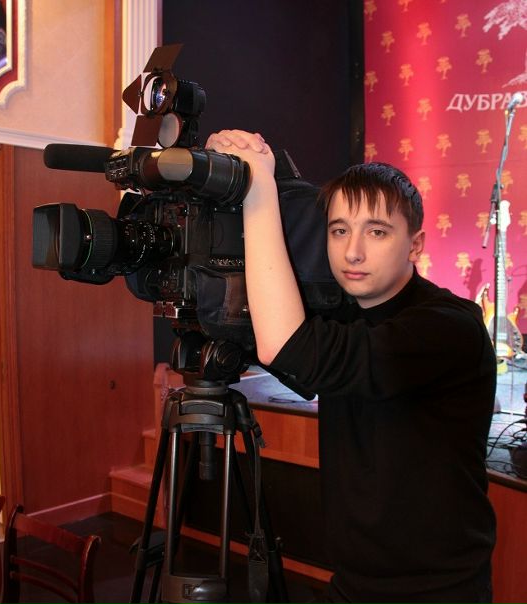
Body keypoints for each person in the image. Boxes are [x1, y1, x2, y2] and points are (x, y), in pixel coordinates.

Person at [206, 130, 497, 604]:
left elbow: (288, 347)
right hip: (349, 582)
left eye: (377, 232)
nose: (353, 251)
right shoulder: (343, 312)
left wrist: (258, 193)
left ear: (415, 244)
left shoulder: (449, 327)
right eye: (339, 230)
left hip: (437, 590)